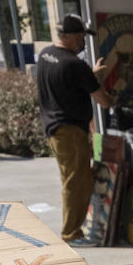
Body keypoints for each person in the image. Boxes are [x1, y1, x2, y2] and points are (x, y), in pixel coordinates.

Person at [36, 14, 112, 246]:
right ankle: (72, 234)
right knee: (76, 182)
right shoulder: (74, 64)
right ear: (68, 36)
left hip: (53, 127)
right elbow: (103, 101)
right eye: (80, 37)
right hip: (70, 130)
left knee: (72, 179)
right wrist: (105, 92)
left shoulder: (46, 55)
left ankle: (72, 230)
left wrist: (90, 75)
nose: (82, 42)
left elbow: (67, 83)